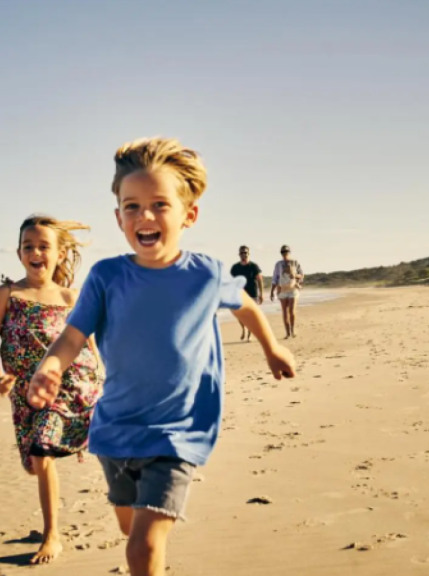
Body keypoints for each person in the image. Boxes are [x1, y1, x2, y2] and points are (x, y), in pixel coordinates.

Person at [25, 138, 297, 576]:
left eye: (159, 205)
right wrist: (51, 366)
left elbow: (245, 303)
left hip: (178, 432)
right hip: (115, 431)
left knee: (143, 549)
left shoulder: (205, 273)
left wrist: (272, 347)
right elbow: (74, 334)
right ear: (118, 218)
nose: (144, 216)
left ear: (189, 214)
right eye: (131, 207)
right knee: (129, 528)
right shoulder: (107, 276)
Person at [0, 214, 103, 565]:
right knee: (34, 463)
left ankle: (53, 535)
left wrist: (105, 376)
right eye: (28, 246)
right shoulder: (8, 293)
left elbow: (89, 344)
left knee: (41, 451)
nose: (36, 252)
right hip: (26, 394)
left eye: (44, 246)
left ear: (61, 253)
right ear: (19, 253)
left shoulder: (69, 296)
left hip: (72, 385)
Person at [269, 245, 304, 338]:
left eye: (286, 252)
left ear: (289, 252)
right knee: (285, 312)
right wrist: (272, 292)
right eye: (283, 252)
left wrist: (294, 274)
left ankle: (293, 330)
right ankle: (287, 333)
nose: (285, 254)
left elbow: (301, 275)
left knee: (292, 311)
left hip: (293, 289)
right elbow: (275, 278)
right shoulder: (278, 264)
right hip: (282, 289)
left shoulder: (295, 262)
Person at [230, 245, 264, 341]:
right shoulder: (235, 267)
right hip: (240, 295)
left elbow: (260, 280)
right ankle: (244, 328)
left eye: (245, 252)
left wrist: (261, 294)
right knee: (240, 315)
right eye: (242, 253)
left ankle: (250, 334)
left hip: (253, 294)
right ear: (239, 254)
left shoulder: (254, 266)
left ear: (248, 254)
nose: (243, 254)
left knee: (251, 316)